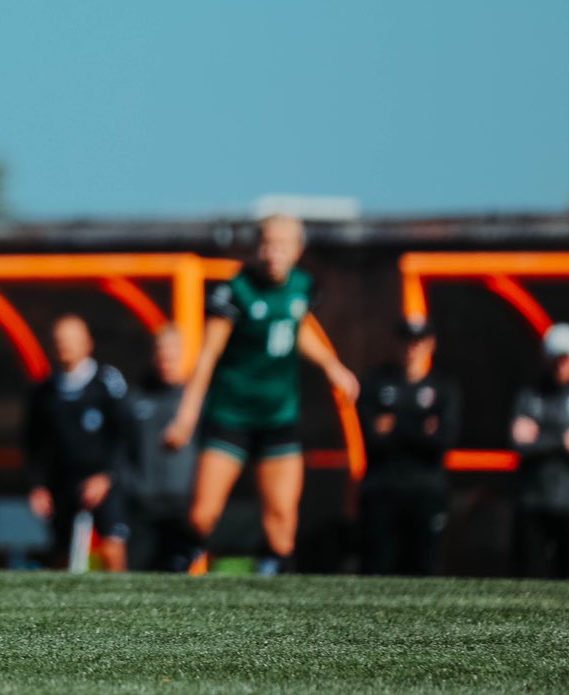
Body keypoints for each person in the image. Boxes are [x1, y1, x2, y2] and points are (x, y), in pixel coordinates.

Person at [164, 215, 360, 575]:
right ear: (257, 247)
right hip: (232, 416)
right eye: (267, 244)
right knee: (203, 514)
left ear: (298, 250)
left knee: (283, 525)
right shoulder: (236, 290)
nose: (274, 253)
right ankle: (171, 573)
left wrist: (332, 365)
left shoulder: (302, 287)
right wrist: (186, 416)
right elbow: (207, 356)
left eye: (283, 245)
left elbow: (294, 328)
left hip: (278, 417)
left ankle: (263, 588)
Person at [24, 315, 131, 571]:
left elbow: (124, 434)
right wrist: (37, 485)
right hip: (62, 482)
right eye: (60, 341)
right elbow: (32, 442)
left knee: (111, 546)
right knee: (62, 551)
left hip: (104, 480)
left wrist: (106, 475)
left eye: (71, 340)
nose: (65, 347)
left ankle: (123, 603)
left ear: (87, 343)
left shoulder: (106, 384)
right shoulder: (45, 392)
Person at [357, 317, 458, 576]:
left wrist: (396, 424)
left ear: (430, 345)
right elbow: (371, 436)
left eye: (418, 342)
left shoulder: (443, 388)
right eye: (406, 342)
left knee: (424, 564)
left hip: (425, 488)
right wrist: (420, 427)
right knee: (377, 564)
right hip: (382, 486)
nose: (411, 349)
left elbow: (442, 441)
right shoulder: (376, 382)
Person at [120, 326, 198, 572]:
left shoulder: (195, 402)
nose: (167, 360)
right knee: (141, 576)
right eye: (162, 352)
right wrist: (131, 486)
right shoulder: (136, 399)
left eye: (173, 353)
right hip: (143, 505)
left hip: (183, 506)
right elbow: (121, 449)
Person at [511, 322, 569, 579]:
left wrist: (541, 436)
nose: (560, 365)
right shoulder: (530, 395)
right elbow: (519, 443)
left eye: (566, 358)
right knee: (529, 576)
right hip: (534, 499)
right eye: (555, 358)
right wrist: (564, 440)